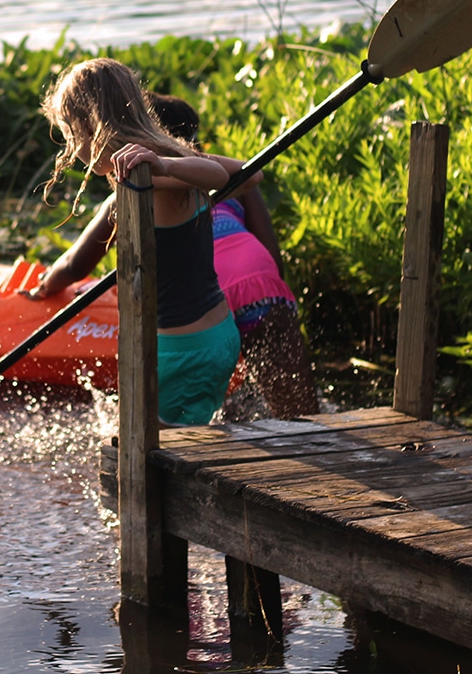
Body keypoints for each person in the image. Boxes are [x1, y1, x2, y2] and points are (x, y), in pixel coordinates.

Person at [26, 82, 318, 421]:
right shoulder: (207, 177)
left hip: (193, 328)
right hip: (256, 294)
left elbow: (75, 265)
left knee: (159, 436)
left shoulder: (138, 187)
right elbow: (252, 183)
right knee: (296, 414)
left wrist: (45, 285)